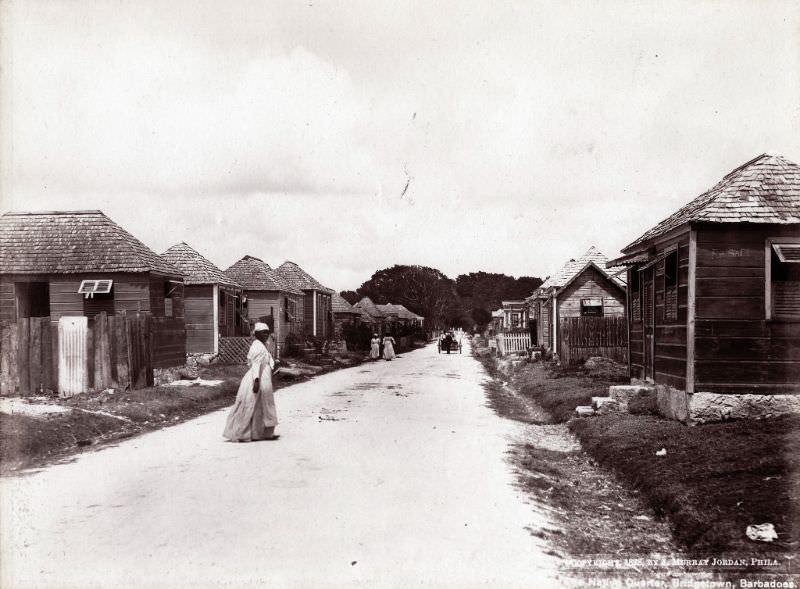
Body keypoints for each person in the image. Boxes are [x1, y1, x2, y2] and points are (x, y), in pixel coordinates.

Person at [223, 322, 279, 442]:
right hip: (257, 377)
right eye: (263, 332)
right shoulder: (257, 346)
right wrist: (256, 381)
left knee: (263, 405)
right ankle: (243, 432)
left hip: (264, 377)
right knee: (253, 403)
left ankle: (263, 432)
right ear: (257, 334)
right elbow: (256, 365)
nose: (266, 335)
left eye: (267, 332)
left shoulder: (262, 345)